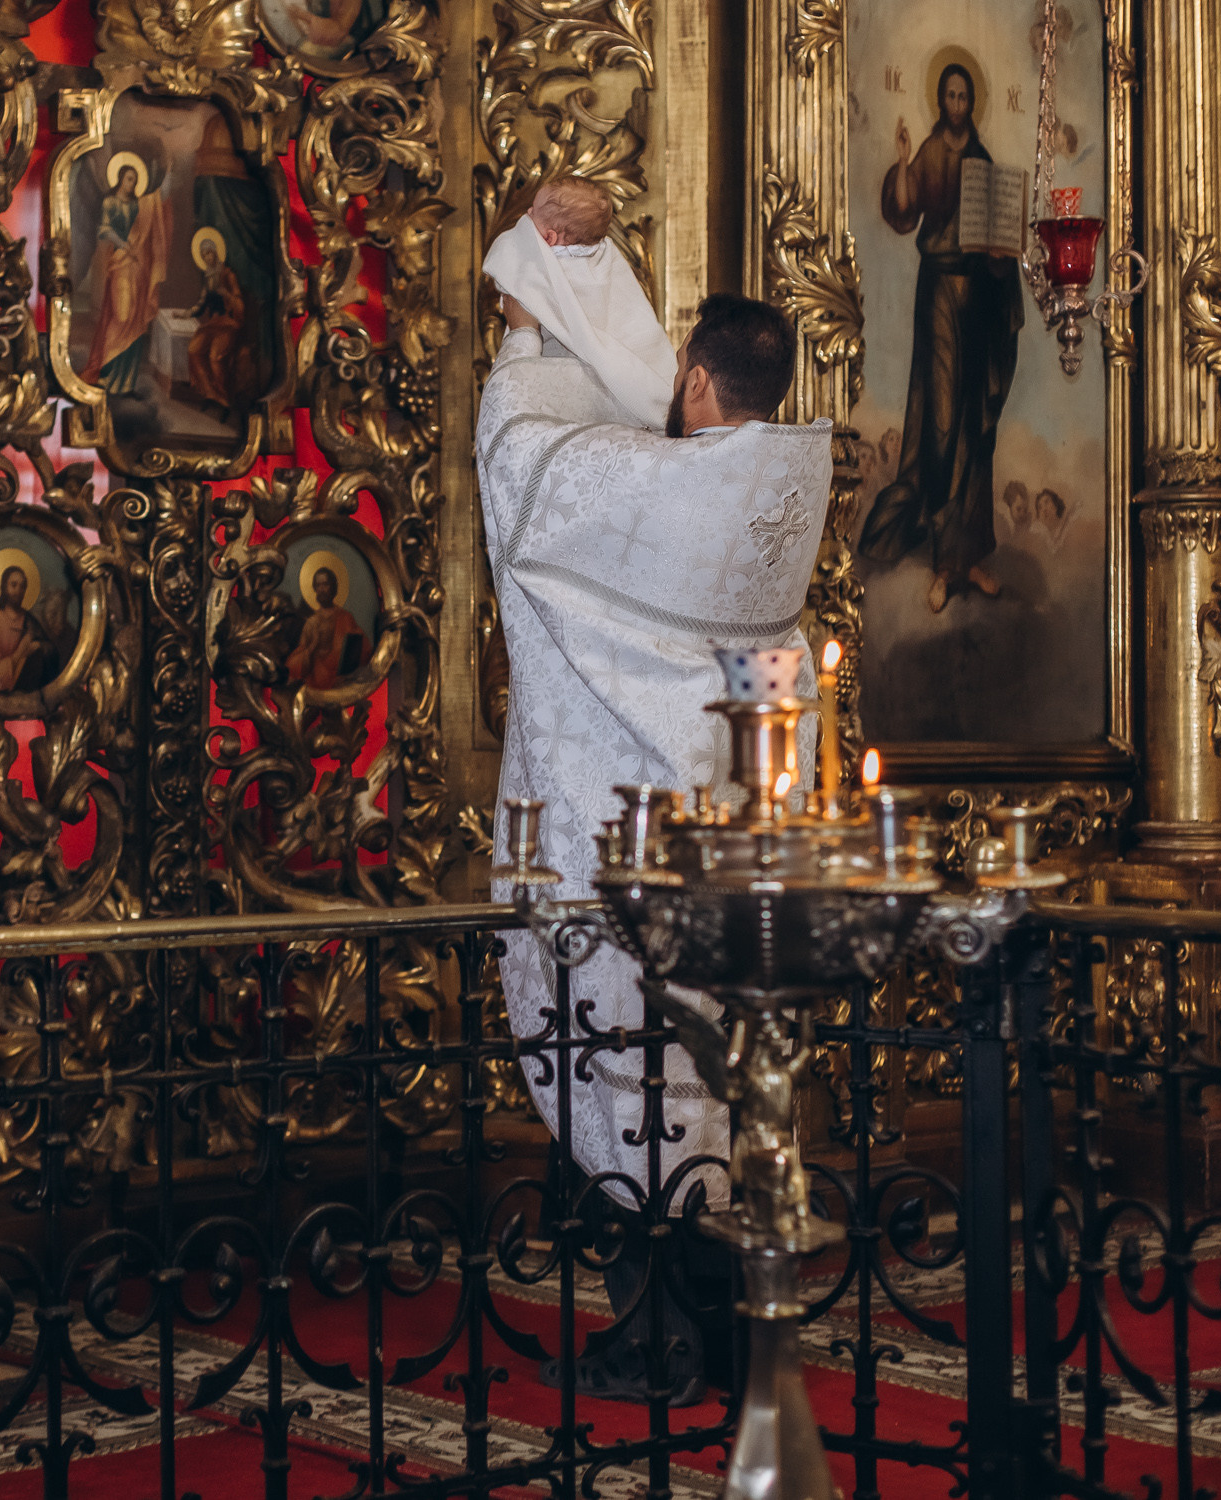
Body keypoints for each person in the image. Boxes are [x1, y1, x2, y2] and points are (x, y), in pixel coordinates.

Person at [480, 290, 832, 1403]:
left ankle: (659, 1337)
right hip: (734, 858)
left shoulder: (657, 484)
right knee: (716, 1084)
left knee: (632, 1080)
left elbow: (520, 462)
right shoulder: (785, 491)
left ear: (692, 381)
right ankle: (731, 1332)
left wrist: (531, 335)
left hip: (626, 860)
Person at [858, 61, 1024, 614]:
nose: (956, 103)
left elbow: (1000, 241)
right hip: (939, 295)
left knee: (977, 427)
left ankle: (969, 556)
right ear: (940, 100)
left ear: (972, 103)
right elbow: (903, 210)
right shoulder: (930, 152)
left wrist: (1004, 253)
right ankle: (941, 560)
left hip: (979, 292)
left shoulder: (983, 164)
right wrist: (904, 160)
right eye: (949, 95)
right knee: (943, 419)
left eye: (963, 96)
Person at [479, 176, 677, 429]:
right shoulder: (602, 252)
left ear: (550, 238)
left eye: (533, 213)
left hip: (567, 372)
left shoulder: (546, 264)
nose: (527, 215)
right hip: (601, 379)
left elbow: (516, 271)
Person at [82, 156, 171, 396]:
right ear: (120, 178)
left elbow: (152, 219)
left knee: (134, 320)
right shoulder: (110, 202)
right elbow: (103, 229)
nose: (131, 184)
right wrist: (124, 244)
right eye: (129, 178)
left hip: (139, 268)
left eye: (135, 180)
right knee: (120, 317)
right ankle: (105, 370)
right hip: (121, 264)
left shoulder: (140, 206)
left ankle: (123, 381)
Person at [187, 230, 259, 411]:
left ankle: (224, 396)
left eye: (209, 253)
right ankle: (210, 393)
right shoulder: (209, 276)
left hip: (232, 323)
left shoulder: (228, 275)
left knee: (214, 356)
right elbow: (202, 302)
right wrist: (187, 313)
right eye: (203, 255)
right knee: (194, 349)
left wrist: (225, 293)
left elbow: (240, 306)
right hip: (216, 323)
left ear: (216, 252)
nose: (207, 258)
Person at [0, 566, 54, 694]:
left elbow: (50, 652)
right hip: (0, 692)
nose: (18, 591)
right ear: (4, 587)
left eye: (22, 586)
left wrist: (39, 646)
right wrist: (21, 651)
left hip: (29, 694)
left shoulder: (30, 621)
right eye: (13, 585)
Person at [284, 566, 364, 689]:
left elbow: (363, 650)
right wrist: (312, 647)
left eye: (325, 584)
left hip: (342, 681)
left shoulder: (346, 618)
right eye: (318, 585)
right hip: (315, 679)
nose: (321, 589)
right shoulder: (311, 622)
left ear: (333, 587)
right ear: (315, 589)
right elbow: (296, 663)